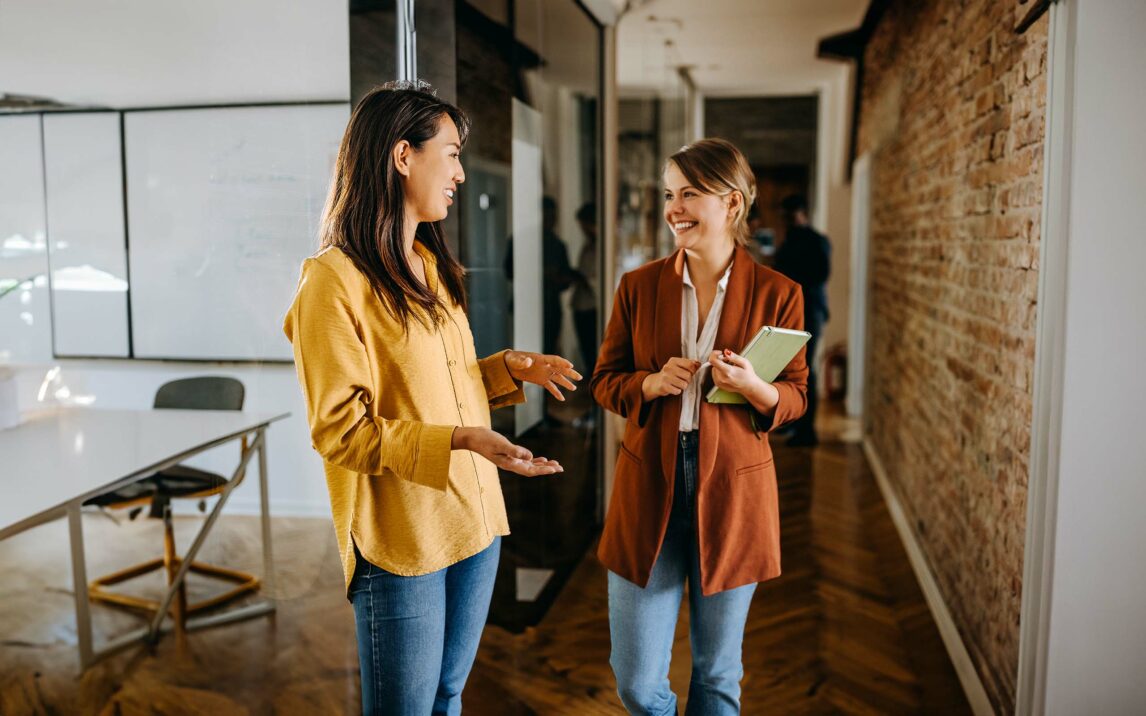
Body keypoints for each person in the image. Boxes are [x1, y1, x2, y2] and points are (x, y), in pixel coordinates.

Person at [283, 82, 581, 715]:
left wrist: (506, 370)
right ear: (401, 156)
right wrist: (465, 439)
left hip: (475, 518)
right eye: (449, 152)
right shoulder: (330, 283)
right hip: (403, 538)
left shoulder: (428, 263)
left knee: (447, 696)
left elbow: (435, 384)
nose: (460, 171)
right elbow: (340, 429)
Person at [591, 138, 809, 714]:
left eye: (689, 193)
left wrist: (754, 388)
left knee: (716, 677)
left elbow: (797, 397)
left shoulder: (781, 294)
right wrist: (647, 384)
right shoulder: (637, 288)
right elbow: (604, 379)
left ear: (732, 204)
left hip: (735, 494)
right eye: (668, 194)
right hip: (648, 490)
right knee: (637, 683)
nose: (673, 209)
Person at [773, 194, 831, 447]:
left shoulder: (817, 240)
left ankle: (808, 430)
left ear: (803, 213)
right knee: (789, 369)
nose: (788, 220)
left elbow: (820, 274)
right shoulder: (788, 240)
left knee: (806, 369)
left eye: (792, 214)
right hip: (791, 311)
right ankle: (794, 423)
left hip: (810, 311)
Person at [571, 201, 599, 373]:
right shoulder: (588, 246)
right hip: (581, 305)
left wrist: (582, 278)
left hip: (593, 306)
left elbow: (594, 278)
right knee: (587, 352)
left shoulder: (601, 247)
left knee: (593, 351)